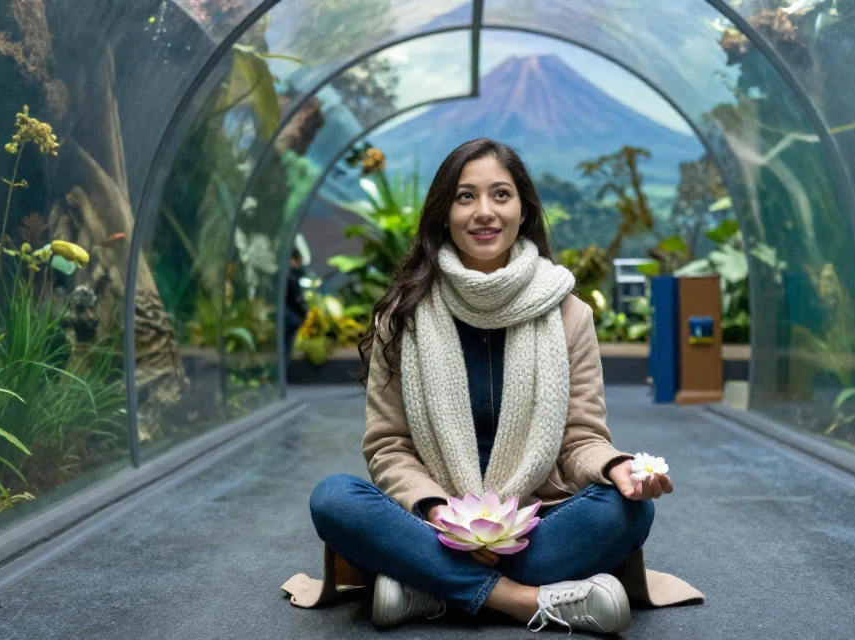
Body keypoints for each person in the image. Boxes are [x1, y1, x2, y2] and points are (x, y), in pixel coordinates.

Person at [301, 139, 677, 634]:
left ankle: (426, 587)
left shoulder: (568, 314)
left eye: (501, 195)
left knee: (624, 511)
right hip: (433, 524)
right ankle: (523, 600)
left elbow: (580, 439)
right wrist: (437, 512)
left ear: (524, 210)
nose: (484, 212)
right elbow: (389, 447)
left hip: (534, 520)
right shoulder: (405, 314)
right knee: (334, 498)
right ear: (443, 213)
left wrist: (617, 467)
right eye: (465, 197)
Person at [282, 248, 308, 356]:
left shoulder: (285, 275)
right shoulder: (290, 275)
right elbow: (297, 297)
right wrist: (304, 311)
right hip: (289, 317)